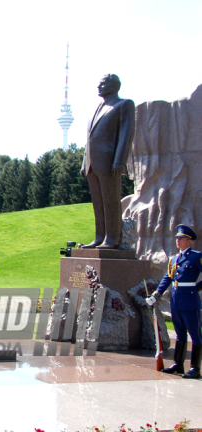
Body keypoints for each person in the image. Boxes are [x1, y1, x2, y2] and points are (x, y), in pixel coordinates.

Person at [80, 74, 135, 249]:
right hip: (92, 164)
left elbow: (126, 134)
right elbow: (89, 139)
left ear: (114, 86)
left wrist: (120, 160)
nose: (99, 87)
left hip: (110, 162)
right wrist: (84, 162)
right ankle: (99, 237)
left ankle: (112, 239)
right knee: (98, 203)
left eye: (102, 84)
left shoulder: (124, 104)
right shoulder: (96, 109)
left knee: (111, 202)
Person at [146, 225, 202, 379]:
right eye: (177, 238)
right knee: (180, 334)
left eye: (181, 238)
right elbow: (168, 278)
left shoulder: (196, 256)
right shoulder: (174, 259)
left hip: (190, 300)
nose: (178, 240)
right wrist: (157, 294)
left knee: (195, 335)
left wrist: (197, 287)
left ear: (189, 241)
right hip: (176, 300)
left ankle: (195, 368)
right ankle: (178, 364)